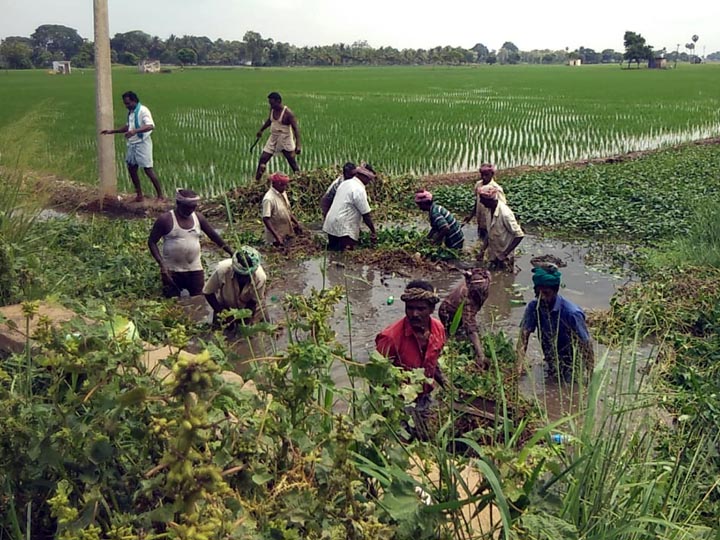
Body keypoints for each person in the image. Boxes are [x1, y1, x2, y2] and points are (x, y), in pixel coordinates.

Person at [376, 280, 446, 438]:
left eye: (421, 309)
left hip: (424, 398)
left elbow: (432, 363)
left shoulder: (438, 330)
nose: (415, 314)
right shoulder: (390, 337)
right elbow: (376, 377)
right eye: (410, 308)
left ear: (431, 309)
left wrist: (449, 386)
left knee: (425, 439)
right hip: (398, 403)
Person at [148, 189, 233, 298]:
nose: (191, 210)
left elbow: (214, 236)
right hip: (172, 271)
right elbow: (152, 242)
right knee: (172, 304)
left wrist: (231, 252)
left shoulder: (198, 218)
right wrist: (162, 264)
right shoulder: (165, 220)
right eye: (187, 207)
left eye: (193, 207)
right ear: (178, 203)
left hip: (195, 270)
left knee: (199, 301)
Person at [517, 265, 594, 381]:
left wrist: (591, 377)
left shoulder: (571, 313)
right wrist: (518, 367)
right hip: (551, 361)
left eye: (546, 293)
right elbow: (523, 337)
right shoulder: (534, 307)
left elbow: (586, 345)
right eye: (538, 293)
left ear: (555, 291)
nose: (541, 297)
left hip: (572, 366)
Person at [101, 91, 163, 201]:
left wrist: (134, 131)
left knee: (148, 169)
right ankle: (139, 195)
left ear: (134, 101)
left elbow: (150, 126)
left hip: (142, 144)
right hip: (132, 144)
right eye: (125, 104)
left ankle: (160, 196)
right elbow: (128, 127)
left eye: (128, 103)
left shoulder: (143, 111)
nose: (126, 106)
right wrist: (112, 131)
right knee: (132, 169)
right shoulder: (131, 112)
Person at [438, 268, 491, 368]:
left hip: (455, 305)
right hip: (448, 312)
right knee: (455, 335)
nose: (479, 289)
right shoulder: (467, 297)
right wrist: (481, 355)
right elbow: (470, 327)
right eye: (476, 288)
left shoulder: (486, 280)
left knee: (468, 331)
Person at [203, 246, 267, 326]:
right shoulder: (223, 270)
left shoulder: (260, 277)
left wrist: (244, 316)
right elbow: (208, 292)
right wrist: (222, 312)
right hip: (224, 306)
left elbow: (253, 302)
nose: (242, 278)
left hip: (249, 307)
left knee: (254, 332)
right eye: (239, 274)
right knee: (219, 331)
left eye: (245, 276)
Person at [322, 165, 378, 251]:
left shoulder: (345, 183)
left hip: (331, 224)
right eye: (369, 179)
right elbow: (366, 215)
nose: (369, 182)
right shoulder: (358, 189)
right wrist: (373, 231)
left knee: (333, 253)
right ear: (363, 176)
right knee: (347, 255)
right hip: (343, 228)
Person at [254, 92, 301, 181]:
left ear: (278, 101)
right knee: (263, 158)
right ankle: (256, 181)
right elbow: (269, 120)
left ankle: (299, 178)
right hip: (273, 137)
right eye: (270, 103)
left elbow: (296, 129)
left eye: (272, 103)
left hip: (285, 139)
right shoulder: (272, 110)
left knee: (292, 161)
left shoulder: (288, 113)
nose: (270, 105)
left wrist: (298, 145)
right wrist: (261, 130)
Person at [476, 184, 524, 271]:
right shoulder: (488, 210)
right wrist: (482, 250)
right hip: (494, 254)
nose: (481, 202)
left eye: (482, 200)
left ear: (489, 200)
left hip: (505, 256)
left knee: (505, 278)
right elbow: (489, 231)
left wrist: (504, 254)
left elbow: (519, 235)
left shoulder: (505, 214)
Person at [463, 163, 506, 241]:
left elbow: (501, 208)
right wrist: (471, 215)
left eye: (486, 175)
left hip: (491, 222)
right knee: (481, 239)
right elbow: (477, 201)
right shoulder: (478, 185)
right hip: (481, 220)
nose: (484, 177)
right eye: (482, 175)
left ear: (492, 174)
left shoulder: (495, 189)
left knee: (490, 241)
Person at [262, 172, 302, 247]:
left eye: (285, 185)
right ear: (275, 184)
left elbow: (287, 210)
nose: (285, 187)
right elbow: (266, 219)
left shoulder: (282, 192)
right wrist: (277, 236)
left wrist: (296, 222)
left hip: (286, 233)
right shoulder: (268, 199)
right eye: (283, 185)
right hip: (275, 239)